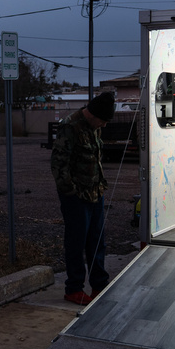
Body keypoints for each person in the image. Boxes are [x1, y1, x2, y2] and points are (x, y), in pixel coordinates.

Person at [51, 91, 115, 306]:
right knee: (76, 243)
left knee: (97, 241)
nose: (104, 126)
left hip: (95, 192)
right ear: (93, 115)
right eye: (103, 121)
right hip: (76, 197)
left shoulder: (93, 127)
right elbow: (59, 165)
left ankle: (99, 284)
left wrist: (100, 188)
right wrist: (71, 193)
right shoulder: (70, 127)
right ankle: (74, 289)